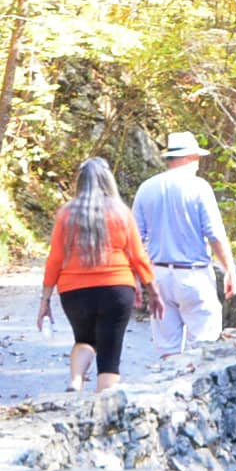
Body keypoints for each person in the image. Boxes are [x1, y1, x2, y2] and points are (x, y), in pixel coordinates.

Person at [37, 156, 159, 393]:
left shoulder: (66, 214)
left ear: (80, 182)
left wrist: (45, 299)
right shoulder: (121, 212)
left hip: (74, 292)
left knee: (84, 339)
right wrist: (153, 291)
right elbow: (138, 256)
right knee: (110, 353)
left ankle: (76, 379)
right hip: (117, 289)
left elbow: (55, 259)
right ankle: (103, 400)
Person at [131, 131, 236, 363]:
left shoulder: (146, 188)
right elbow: (214, 234)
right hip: (193, 275)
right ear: (189, 157)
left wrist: (136, 277)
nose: (199, 164)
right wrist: (229, 269)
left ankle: (170, 381)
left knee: (167, 347)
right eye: (197, 158)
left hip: (158, 276)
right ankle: (192, 384)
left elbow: (135, 239)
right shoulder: (199, 187)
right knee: (203, 344)